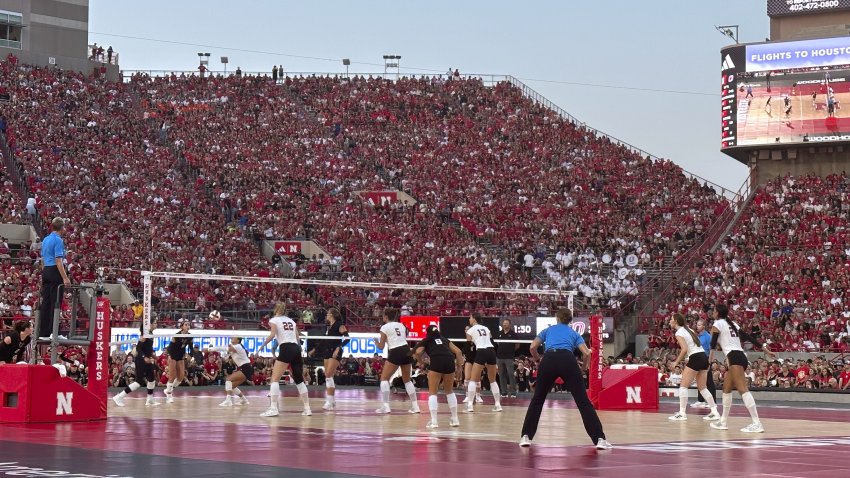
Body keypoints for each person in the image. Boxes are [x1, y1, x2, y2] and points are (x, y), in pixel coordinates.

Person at [519, 308, 612, 449]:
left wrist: (538, 361)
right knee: (583, 402)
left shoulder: (548, 330)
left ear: (557, 318)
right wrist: (583, 369)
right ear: (570, 320)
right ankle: (599, 439)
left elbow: (533, 347)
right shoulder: (574, 333)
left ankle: (526, 436)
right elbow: (586, 354)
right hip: (567, 360)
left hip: (549, 359)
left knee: (537, 399)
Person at [709, 303, 775, 433]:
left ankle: (757, 423)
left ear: (717, 313)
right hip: (740, 356)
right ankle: (723, 421)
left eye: (714, 311)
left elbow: (712, 344)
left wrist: (709, 360)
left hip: (734, 357)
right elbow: (748, 337)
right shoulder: (732, 323)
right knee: (726, 389)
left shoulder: (718, 324)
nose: (712, 313)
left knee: (742, 389)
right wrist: (765, 350)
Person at [257, 302, 311, 417]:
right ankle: (307, 409)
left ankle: (273, 409)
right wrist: (299, 351)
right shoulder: (291, 321)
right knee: (299, 379)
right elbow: (297, 337)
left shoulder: (274, 320)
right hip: (296, 348)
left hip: (286, 347)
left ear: (275, 309)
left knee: (274, 379)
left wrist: (262, 346)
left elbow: (272, 335)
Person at [667, 314, 720, 421]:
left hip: (695, 357)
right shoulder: (689, 329)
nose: (669, 321)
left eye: (671, 320)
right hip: (703, 357)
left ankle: (682, 413)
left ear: (676, 321)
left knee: (683, 386)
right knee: (703, 388)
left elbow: (684, 349)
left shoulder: (679, 332)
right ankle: (715, 412)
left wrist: (676, 362)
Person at [413, 325, 464, 429]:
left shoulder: (427, 340)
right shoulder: (444, 339)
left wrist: (421, 362)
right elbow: (458, 352)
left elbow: (417, 352)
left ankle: (434, 421)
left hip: (436, 360)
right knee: (449, 391)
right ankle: (455, 419)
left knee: (433, 392)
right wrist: (459, 367)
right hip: (449, 360)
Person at [373, 307, 420, 414]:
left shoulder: (384, 327)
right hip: (406, 350)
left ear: (385, 316)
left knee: (384, 379)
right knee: (407, 380)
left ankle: (386, 406)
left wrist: (376, 341)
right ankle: (415, 406)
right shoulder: (401, 325)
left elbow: (380, 347)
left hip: (396, 351)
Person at [113, 321, 160, 407]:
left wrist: (152, 355)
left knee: (152, 379)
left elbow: (147, 348)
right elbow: (138, 348)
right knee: (139, 382)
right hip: (141, 360)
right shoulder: (144, 335)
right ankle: (119, 397)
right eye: (155, 323)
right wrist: (144, 357)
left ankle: (149, 399)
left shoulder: (150, 333)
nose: (156, 324)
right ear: (150, 324)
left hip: (147, 359)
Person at [38, 217, 71, 339]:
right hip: (54, 270)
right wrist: (65, 278)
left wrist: (44, 273)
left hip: (46, 270)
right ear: (62, 228)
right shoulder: (58, 240)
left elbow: (42, 259)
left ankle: (44, 332)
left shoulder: (46, 239)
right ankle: (54, 332)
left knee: (46, 302)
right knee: (55, 301)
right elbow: (58, 260)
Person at [464, 314, 502, 413]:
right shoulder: (486, 328)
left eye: (470, 317)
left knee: (472, 379)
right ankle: (498, 405)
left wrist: (471, 359)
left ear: (474, 319)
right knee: (493, 380)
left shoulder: (470, 330)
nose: (469, 319)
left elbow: (468, 347)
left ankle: (470, 406)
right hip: (491, 351)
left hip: (481, 351)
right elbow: (493, 343)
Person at [320, 307, 349, 411]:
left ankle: (329, 401)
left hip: (335, 351)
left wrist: (339, 347)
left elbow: (347, 338)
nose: (327, 315)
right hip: (327, 351)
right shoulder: (328, 327)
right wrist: (314, 350)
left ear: (332, 315)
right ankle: (331, 401)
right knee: (328, 376)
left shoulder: (339, 324)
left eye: (328, 313)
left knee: (328, 374)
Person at [164, 321, 194, 403]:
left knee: (181, 377)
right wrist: (169, 356)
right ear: (182, 327)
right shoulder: (176, 335)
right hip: (173, 355)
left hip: (181, 356)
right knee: (172, 375)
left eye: (189, 325)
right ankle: (169, 395)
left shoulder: (190, 336)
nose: (188, 326)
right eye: (186, 325)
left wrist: (190, 355)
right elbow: (170, 347)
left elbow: (191, 348)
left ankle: (168, 389)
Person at [219, 337, 252, 407]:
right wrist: (226, 354)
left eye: (234, 338)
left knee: (228, 380)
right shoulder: (234, 348)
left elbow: (226, 350)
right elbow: (225, 358)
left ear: (238, 340)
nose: (232, 338)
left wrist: (211, 349)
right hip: (245, 368)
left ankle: (228, 401)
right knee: (232, 386)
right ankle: (244, 400)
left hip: (246, 367)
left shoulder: (238, 346)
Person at [693, 319, 716, 408]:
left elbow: (711, 350)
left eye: (699, 325)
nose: (697, 326)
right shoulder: (698, 336)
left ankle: (713, 402)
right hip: (699, 358)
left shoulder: (708, 336)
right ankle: (701, 400)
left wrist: (709, 363)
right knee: (699, 380)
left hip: (706, 359)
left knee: (709, 381)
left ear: (703, 326)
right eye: (697, 324)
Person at [495, 319, 519, 398]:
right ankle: (504, 392)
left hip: (509, 357)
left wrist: (510, 350)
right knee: (501, 374)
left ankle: (513, 392)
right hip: (499, 357)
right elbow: (498, 343)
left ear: (509, 324)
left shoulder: (513, 334)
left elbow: (517, 345)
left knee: (511, 374)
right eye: (504, 323)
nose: (504, 325)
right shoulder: (499, 333)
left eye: (506, 323)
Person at [462, 326, 483, 404]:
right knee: (467, 378)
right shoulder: (465, 342)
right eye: (466, 329)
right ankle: (467, 396)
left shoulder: (476, 340)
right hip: (468, 360)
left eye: (468, 329)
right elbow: (464, 352)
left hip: (477, 360)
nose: (467, 331)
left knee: (477, 379)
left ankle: (478, 396)